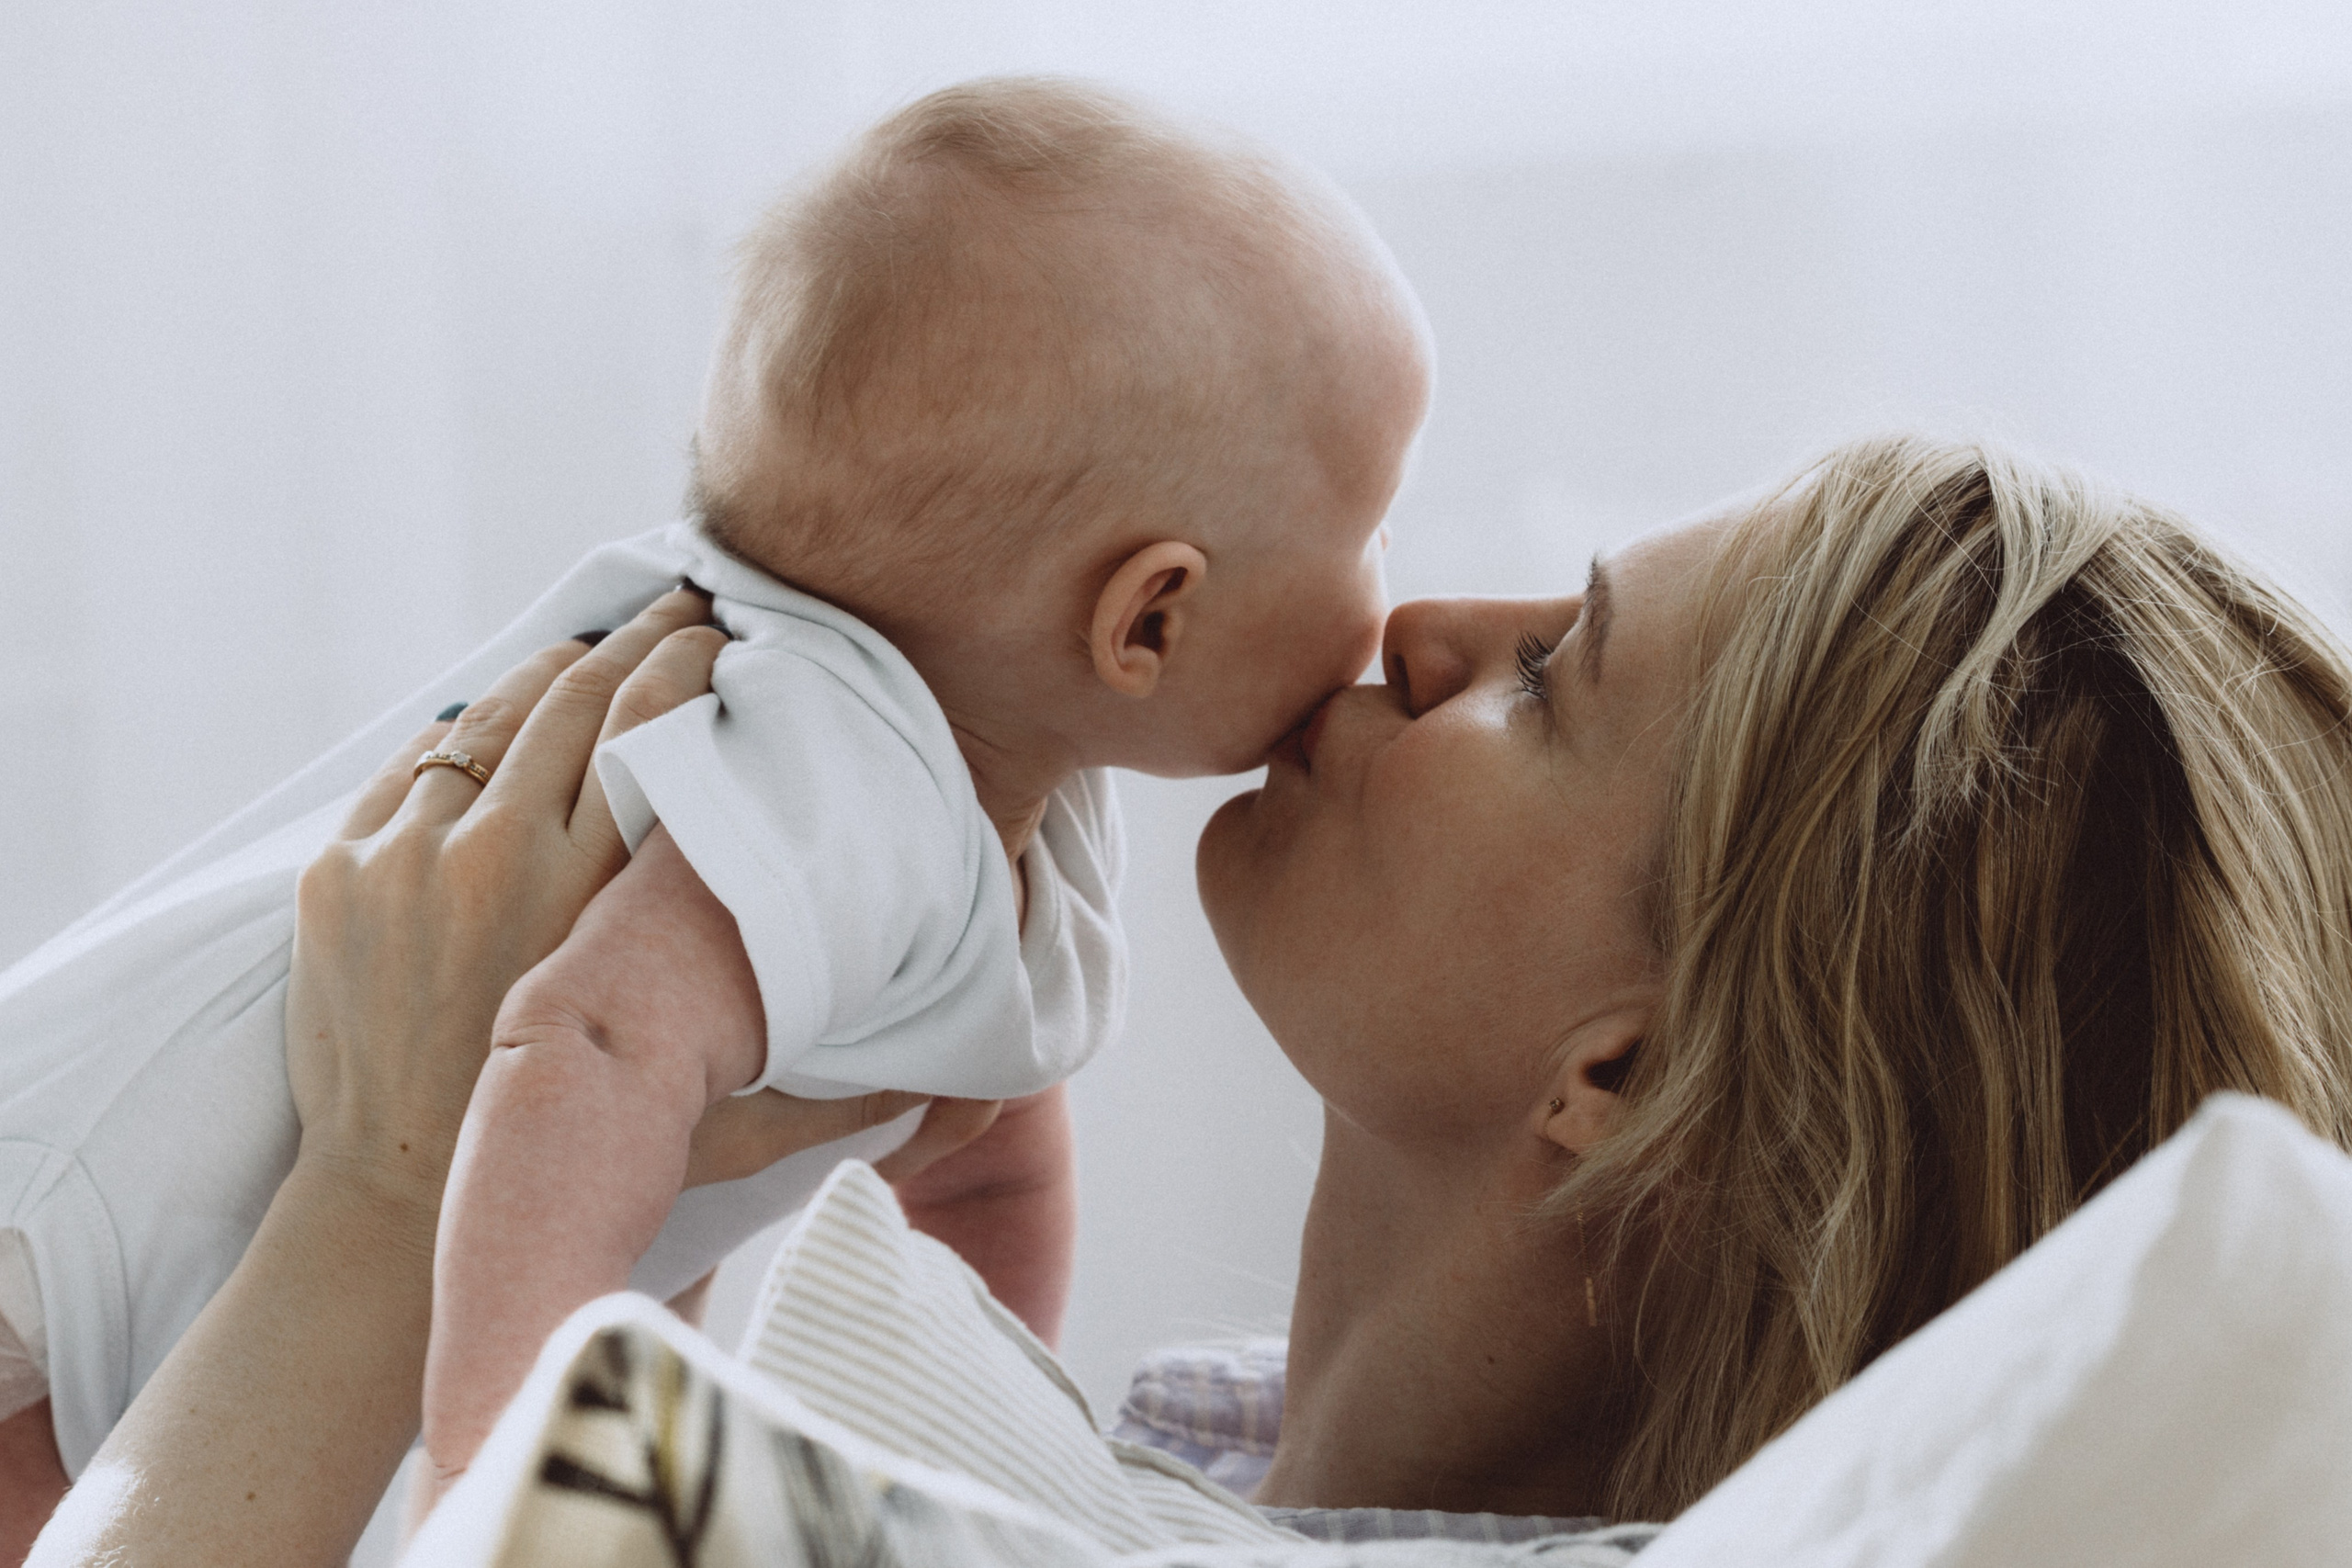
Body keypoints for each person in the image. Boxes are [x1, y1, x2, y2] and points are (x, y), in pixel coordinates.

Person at [25, 434, 2352, 1566]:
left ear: (1629, 1071)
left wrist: (386, 1178)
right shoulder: (1199, 1474)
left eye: (1551, 676)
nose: (1419, 629)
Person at [0, 73, 1432, 1509]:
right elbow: (583, 1046)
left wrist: (983, 1462)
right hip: (73, 1238)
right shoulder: (843, 774)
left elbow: (982, 1165)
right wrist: (509, 1477)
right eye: (1372, 527)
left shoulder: (995, 801)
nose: (1399, 593)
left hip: (154, 1295)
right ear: (1148, 621)